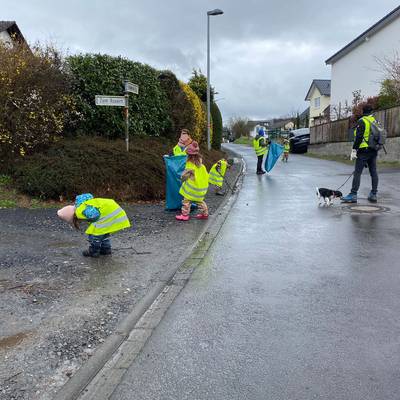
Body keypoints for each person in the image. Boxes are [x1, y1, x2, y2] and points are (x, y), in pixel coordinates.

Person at [57, 193, 131, 257]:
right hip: (114, 215)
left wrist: (91, 220)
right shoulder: (88, 203)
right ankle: (106, 249)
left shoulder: (82, 208)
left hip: (109, 216)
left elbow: (95, 215)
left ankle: (94, 251)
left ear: (73, 215)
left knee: (94, 234)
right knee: (103, 233)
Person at [341, 105, 379, 203]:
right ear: (371, 111)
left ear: (363, 111)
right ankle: (373, 194)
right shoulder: (375, 121)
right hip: (374, 150)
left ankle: (353, 194)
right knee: (373, 172)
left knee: (357, 172)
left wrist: (354, 150)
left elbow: (358, 137)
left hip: (363, 151)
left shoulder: (362, 121)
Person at [176, 141, 209, 221]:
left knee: (186, 201)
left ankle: (185, 215)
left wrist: (181, 178)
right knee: (200, 201)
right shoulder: (201, 164)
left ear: (188, 154)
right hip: (200, 188)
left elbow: (185, 175)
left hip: (191, 188)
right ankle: (205, 214)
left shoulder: (190, 164)